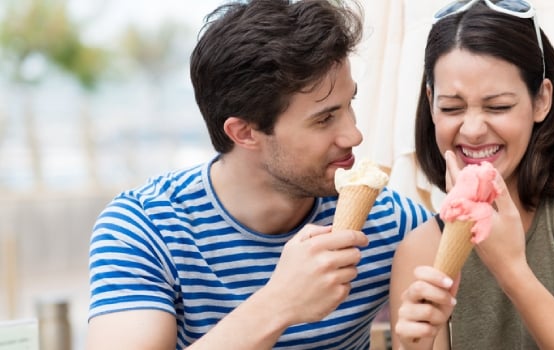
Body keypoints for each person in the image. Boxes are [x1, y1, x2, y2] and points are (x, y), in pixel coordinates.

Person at [86, 0, 431, 348]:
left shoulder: (392, 223)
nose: (354, 135)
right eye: (324, 119)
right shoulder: (145, 229)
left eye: (349, 105)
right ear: (245, 133)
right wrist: (280, 303)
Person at [389, 0, 554, 349]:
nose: (472, 129)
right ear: (430, 104)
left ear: (541, 100)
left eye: (498, 106)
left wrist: (512, 271)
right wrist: (415, 344)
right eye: (452, 108)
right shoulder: (421, 250)